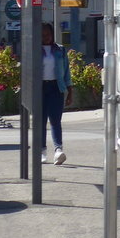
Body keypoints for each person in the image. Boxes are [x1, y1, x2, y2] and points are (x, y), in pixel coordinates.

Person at [40, 23, 73, 165]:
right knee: (40, 122)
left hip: (56, 87)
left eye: (47, 34)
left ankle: (58, 150)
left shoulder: (60, 50)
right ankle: (41, 151)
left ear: (52, 34)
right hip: (40, 88)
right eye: (42, 35)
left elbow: (66, 72)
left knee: (55, 120)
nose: (45, 37)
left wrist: (70, 91)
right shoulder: (34, 50)